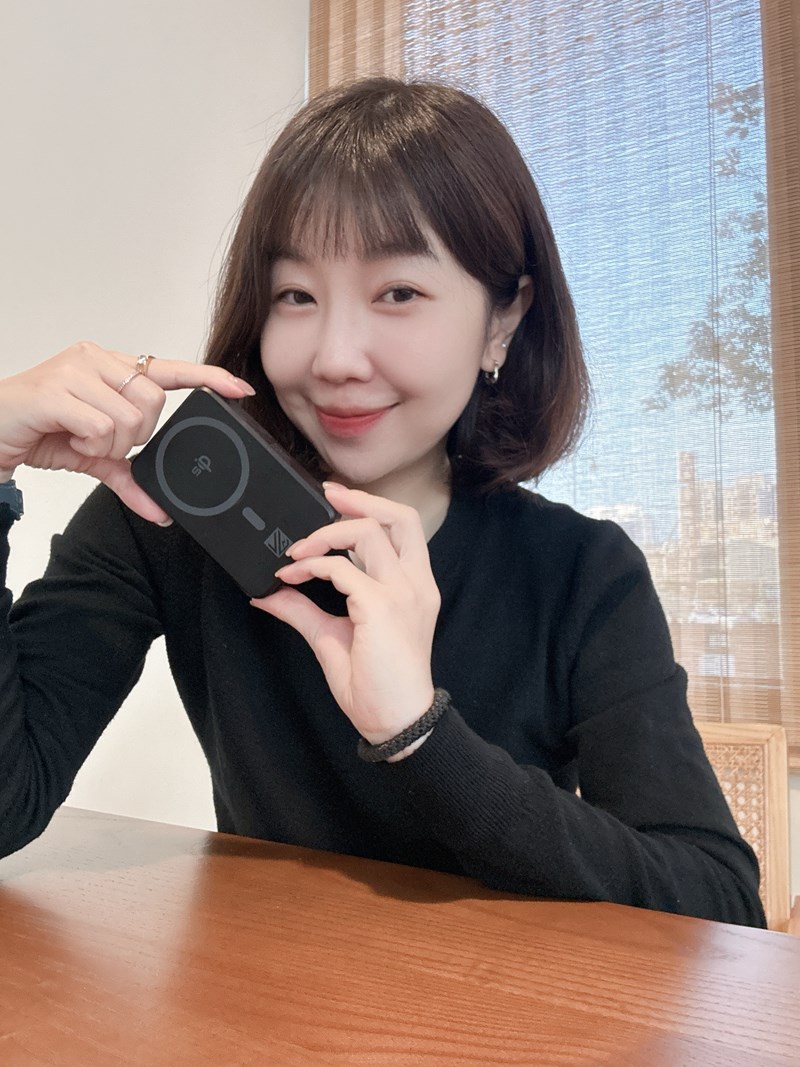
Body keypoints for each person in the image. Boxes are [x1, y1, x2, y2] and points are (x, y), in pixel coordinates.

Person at [0, 77, 765, 926]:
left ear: (504, 319)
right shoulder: (170, 520)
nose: (335, 357)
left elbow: (717, 903)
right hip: (257, 991)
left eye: (398, 292)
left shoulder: (581, 573)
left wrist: (419, 734)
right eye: (296, 294)